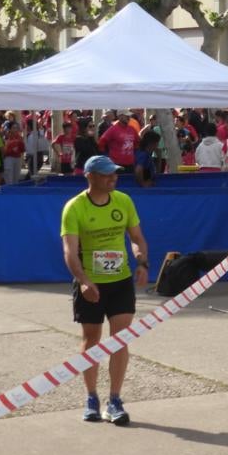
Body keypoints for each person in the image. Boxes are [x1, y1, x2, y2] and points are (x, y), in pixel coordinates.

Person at [61, 155, 150, 424]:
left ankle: (114, 399)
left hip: (120, 281)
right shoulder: (74, 207)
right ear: (90, 176)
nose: (113, 178)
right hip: (91, 284)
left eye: (114, 174)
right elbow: (69, 251)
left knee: (120, 339)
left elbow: (136, 238)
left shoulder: (123, 201)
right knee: (91, 340)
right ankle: (91, 397)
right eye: (106, 174)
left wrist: (142, 261)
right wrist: (85, 281)